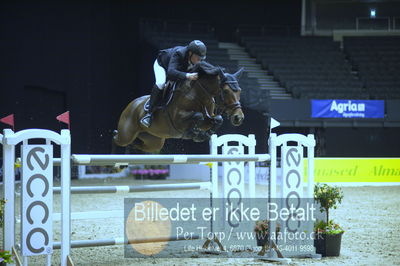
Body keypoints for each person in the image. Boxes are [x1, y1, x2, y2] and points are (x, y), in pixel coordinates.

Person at [140, 40, 207, 127]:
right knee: (161, 83)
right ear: (190, 53)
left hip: (178, 70)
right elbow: (171, 72)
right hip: (163, 65)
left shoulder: (196, 58)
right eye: (198, 58)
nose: (199, 61)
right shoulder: (179, 54)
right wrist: (187, 75)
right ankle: (149, 113)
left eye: (201, 59)